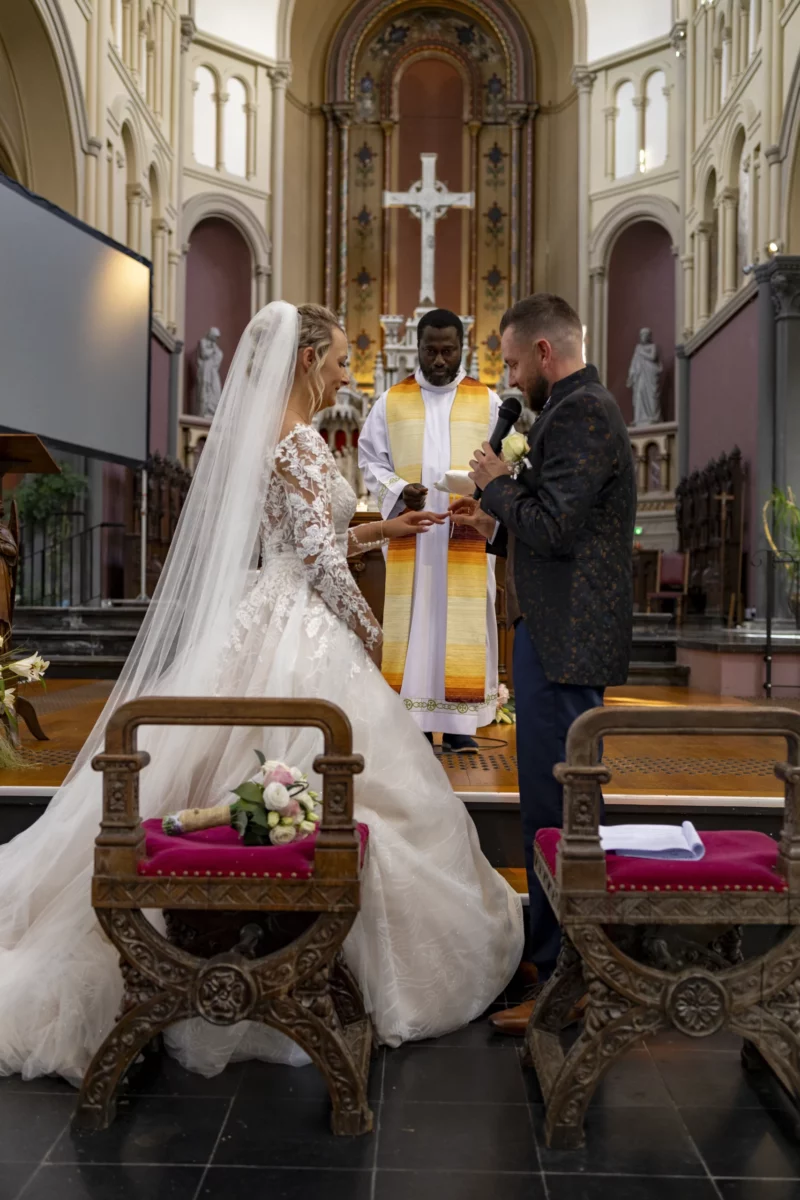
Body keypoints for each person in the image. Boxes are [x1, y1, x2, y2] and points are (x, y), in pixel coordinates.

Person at [0, 302, 523, 1084]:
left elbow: (306, 544)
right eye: (342, 360)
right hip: (304, 627)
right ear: (309, 358)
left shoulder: (269, 438)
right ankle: (310, 967)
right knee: (329, 771)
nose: (348, 375)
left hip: (265, 612)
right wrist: (373, 638)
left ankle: (217, 948)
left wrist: (387, 533)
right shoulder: (305, 443)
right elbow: (316, 563)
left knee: (226, 767)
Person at [451, 293, 636, 1035]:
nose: (508, 374)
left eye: (512, 359)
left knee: (558, 808)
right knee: (542, 803)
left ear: (546, 355)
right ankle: (549, 949)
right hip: (553, 633)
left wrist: (497, 481)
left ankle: (570, 977)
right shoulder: (565, 411)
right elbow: (555, 523)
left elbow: (557, 525)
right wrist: (495, 518)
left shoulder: (582, 412)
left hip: (565, 641)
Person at [358, 309, 501, 754]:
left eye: (448, 350)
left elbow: (505, 465)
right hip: (413, 535)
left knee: (466, 620)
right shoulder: (391, 401)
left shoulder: (489, 402)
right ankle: (415, 725)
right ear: (417, 348)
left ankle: (460, 727)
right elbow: (370, 460)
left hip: (467, 533)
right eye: (430, 350)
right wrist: (402, 490)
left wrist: (485, 496)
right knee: (415, 620)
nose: (439, 360)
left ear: (463, 348)